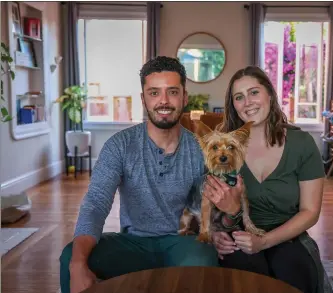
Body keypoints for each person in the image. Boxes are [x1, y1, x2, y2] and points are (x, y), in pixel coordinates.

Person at [59, 56, 220, 293]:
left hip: (181, 242)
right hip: (131, 243)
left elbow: (203, 206)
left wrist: (227, 212)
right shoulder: (120, 145)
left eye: (172, 92)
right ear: (143, 99)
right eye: (154, 92)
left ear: (184, 97)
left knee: (204, 260)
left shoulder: (200, 149)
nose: (163, 101)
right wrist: (77, 264)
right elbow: (96, 203)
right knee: (70, 257)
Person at [202, 66, 333, 293]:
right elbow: (213, 205)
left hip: (288, 236)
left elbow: (310, 211)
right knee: (243, 276)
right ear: (233, 105)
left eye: (254, 92)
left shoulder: (302, 144)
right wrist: (216, 233)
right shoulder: (223, 148)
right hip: (238, 235)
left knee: (291, 270)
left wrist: (264, 241)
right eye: (239, 97)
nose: (248, 102)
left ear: (269, 95)